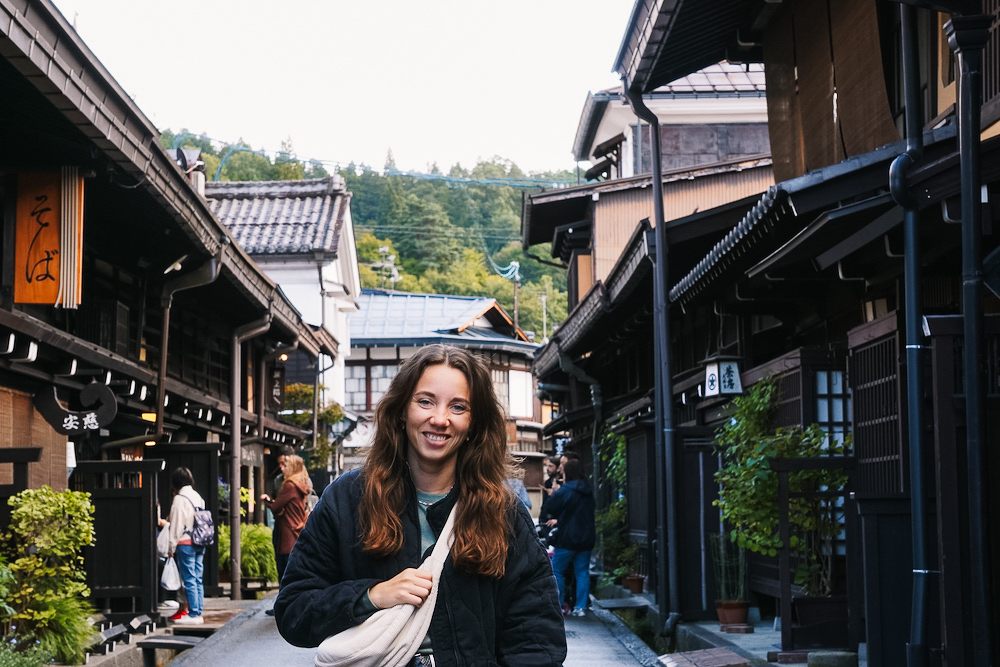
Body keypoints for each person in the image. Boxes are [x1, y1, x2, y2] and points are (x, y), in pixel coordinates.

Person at [274, 344, 566, 666]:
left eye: (458, 407)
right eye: (425, 401)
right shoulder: (347, 499)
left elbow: (536, 636)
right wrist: (371, 596)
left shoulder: (502, 511)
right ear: (401, 409)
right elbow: (294, 612)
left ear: (474, 423)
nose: (439, 419)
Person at [544, 458, 596, 617]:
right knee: (582, 572)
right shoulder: (588, 489)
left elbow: (550, 506)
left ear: (568, 472)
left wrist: (553, 493)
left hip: (567, 537)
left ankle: (558, 604)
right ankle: (580, 607)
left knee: (557, 570)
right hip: (586, 538)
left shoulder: (566, 490)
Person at [166, 466, 207, 625]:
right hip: (200, 541)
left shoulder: (179, 499)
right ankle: (198, 611)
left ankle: (193, 614)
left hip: (185, 543)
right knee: (197, 578)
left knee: (189, 579)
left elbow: (176, 525)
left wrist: (171, 547)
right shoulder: (198, 497)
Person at [260, 454, 311, 581]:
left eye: (286, 465)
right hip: (297, 532)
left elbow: (276, 506)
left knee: (285, 575)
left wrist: (267, 501)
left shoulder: (289, 485)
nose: (283, 468)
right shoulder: (302, 484)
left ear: (292, 468)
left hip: (287, 535)